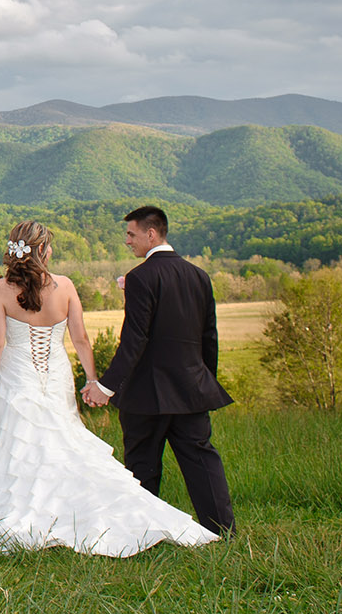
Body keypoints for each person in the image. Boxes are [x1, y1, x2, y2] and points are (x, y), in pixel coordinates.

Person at [0, 220, 218, 556]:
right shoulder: (65, 286)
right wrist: (92, 380)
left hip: (18, 377)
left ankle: (29, 514)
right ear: (43, 250)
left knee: (24, 445)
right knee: (62, 441)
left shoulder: (0, 290)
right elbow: (81, 338)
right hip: (55, 376)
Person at [82, 205, 235, 535]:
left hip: (146, 393)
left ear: (151, 234)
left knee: (141, 465)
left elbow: (134, 340)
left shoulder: (140, 277)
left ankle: (142, 534)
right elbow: (210, 335)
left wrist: (106, 387)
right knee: (202, 462)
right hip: (192, 389)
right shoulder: (199, 275)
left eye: (131, 234)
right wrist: (206, 379)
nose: (127, 241)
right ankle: (223, 530)